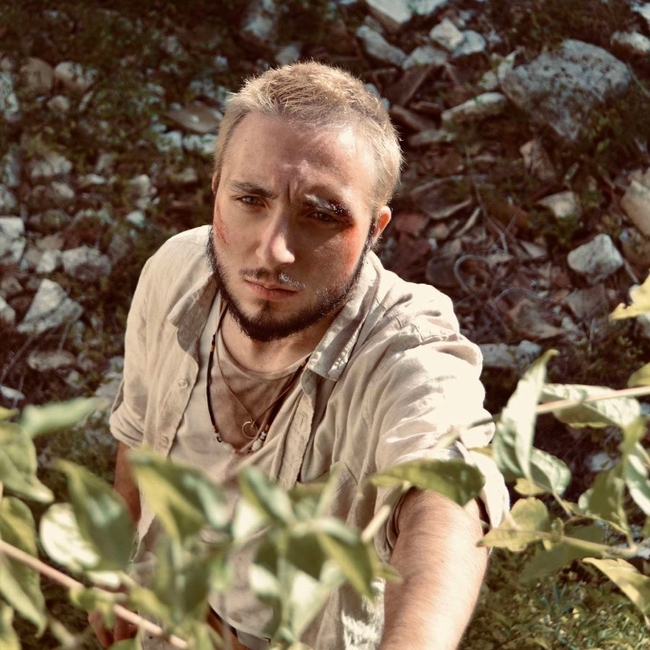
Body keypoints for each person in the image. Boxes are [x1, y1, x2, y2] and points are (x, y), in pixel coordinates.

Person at [91, 61, 508, 650]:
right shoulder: (174, 273)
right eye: (250, 200)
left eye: (322, 215)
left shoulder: (405, 349)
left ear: (375, 230)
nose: (275, 251)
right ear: (216, 191)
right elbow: (137, 435)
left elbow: (449, 490)